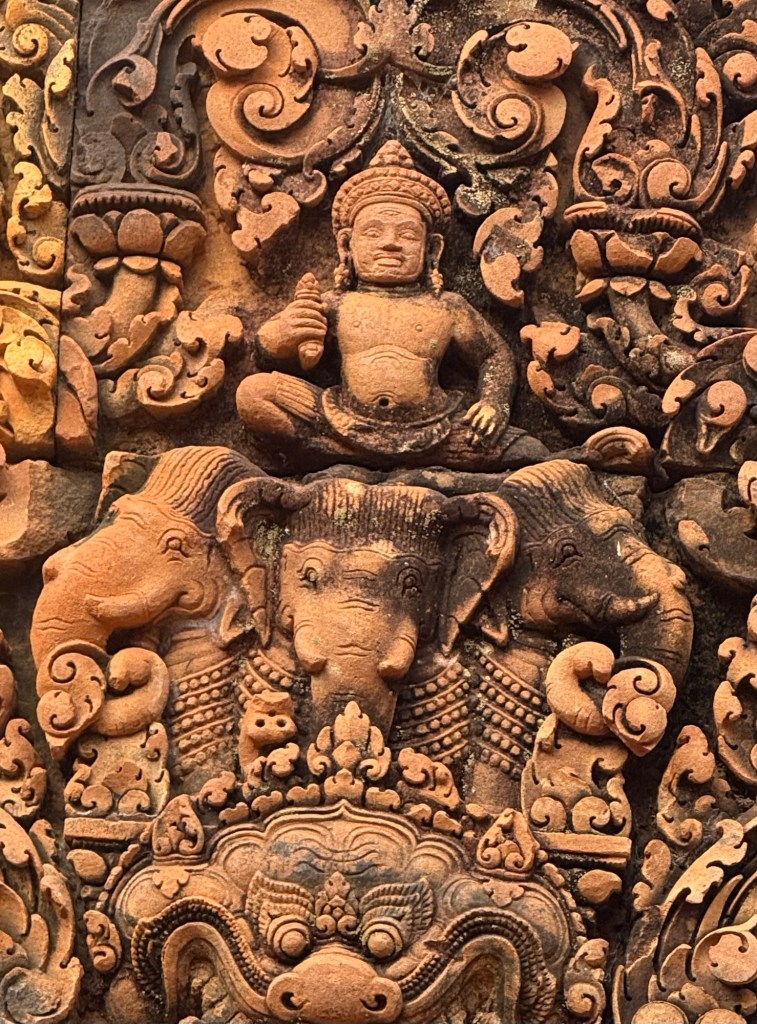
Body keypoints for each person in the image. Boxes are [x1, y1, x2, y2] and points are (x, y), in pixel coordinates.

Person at [237, 140, 546, 468]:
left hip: (434, 427)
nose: (390, 244)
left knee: (529, 451)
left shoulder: (446, 307)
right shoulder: (336, 304)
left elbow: (493, 355)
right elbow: (267, 351)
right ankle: (371, 456)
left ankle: (347, 459)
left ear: (432, 249)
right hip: (343, 419)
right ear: (347, 245)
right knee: (255, 394)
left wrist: (493, 403)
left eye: (408, 235)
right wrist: (282, 334)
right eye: (372, 233)